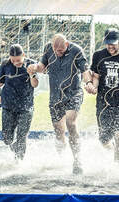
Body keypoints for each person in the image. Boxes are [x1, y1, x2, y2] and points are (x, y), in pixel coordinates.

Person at [28, 34, 94, 174]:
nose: (59, 53)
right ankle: (61, 159)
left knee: (71, 123)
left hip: (73, 93)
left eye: (62, 51)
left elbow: (85, 70)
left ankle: (77, 160)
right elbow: (42, 66)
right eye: (56, 50)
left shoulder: (76, 50)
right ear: (52, 47)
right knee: (59, 131)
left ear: (67, 45)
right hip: (55, 97)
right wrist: (34, 67)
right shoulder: (48, 49)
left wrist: (88, 83)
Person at [0, 44, 38, 160]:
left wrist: (32, 74)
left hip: (26, 106)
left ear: (23, 55)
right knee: (7, 139)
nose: (16, 62)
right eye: (13, 60)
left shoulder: (30, 64)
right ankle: (16, 149)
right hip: (8, 105)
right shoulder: (6, 65)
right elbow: (0, 82)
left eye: (18, 60)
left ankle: (19, 162)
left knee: (21, 137)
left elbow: (35, 84)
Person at [87, 28, 119, 162]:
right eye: (108, 43)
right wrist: (93, 86)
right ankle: (115, 154)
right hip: (104, 102)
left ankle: (118, 169)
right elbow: (96, 76)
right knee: (104, 140)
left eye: (113, 43)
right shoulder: (98, 55)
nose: (110, 46)